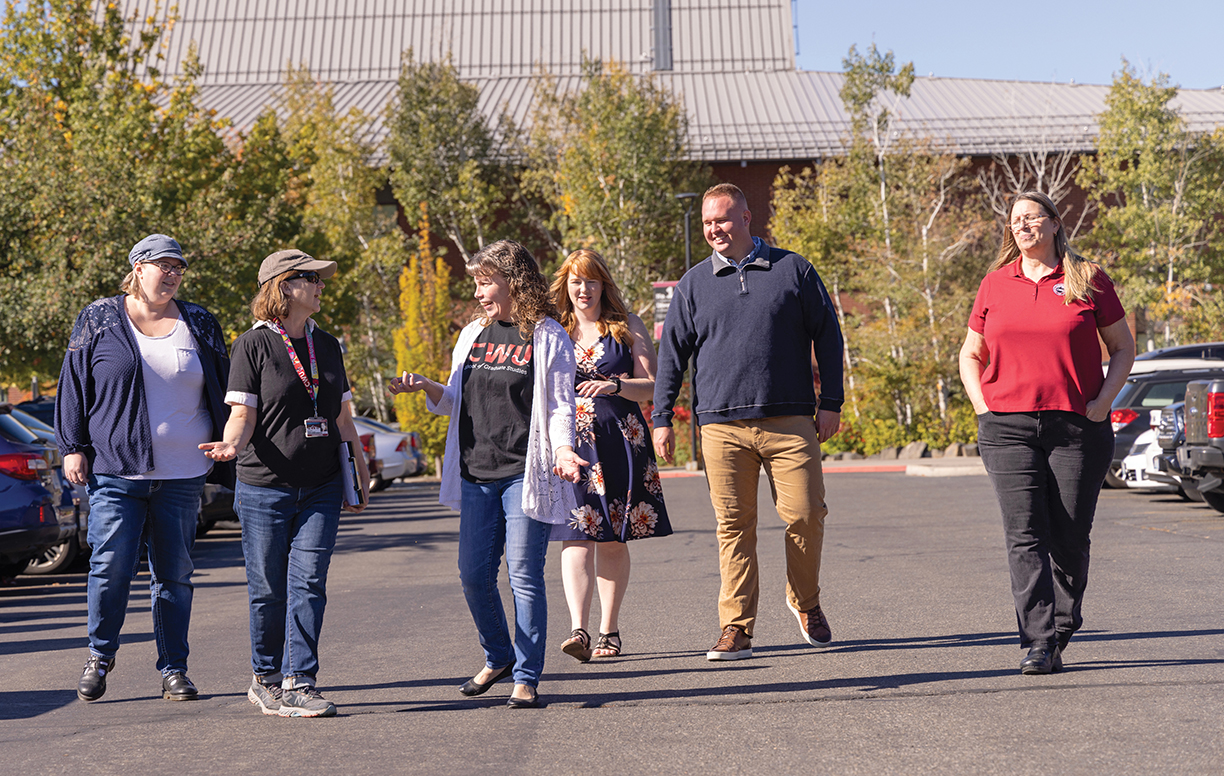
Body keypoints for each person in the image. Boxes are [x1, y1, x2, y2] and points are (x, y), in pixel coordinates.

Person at [652, 183, 844, 662]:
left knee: (805, 514)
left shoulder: (792, 269)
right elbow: (671, 355)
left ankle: (805, 601)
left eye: (721, 219)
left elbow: (829, 335)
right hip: (721, 425)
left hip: (791, 419)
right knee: (733, 527)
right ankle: (735, 626)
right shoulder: (693, 284)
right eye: (706, 223)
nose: (713, 229)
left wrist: (832, 401)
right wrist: (661, 417)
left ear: (745, 218)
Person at [389, 239, 585, 708]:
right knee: (473, 575)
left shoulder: (546, 335)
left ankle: (526, 673)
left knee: (523, 574)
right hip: (476, 473)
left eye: (484, 282)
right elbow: (456, 400)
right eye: (476, 283)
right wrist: (427, 385)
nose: (478, 292)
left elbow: (560, 405)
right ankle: (497, 655)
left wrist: (563, 451)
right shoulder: (472, 335)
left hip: (524, 473)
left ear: (512, 282)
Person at [959, 191, 1134, 675]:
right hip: (1006, 426)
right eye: (1015, 220)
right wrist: (982, 404)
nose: (1023, 226)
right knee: (1024, 535)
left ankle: (1062, 622)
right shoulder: (995, 284)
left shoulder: (1087, 278)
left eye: (1032, 217)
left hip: (1077, 426)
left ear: (1055, 223)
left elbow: (1122, 347)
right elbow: (970, 354)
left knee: (1071, 536)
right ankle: (1039, 641)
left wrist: (1102, 403)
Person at [57, 234, 232, 703]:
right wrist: (72, 446)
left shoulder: (198, 321)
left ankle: (174, 668)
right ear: (137, 268)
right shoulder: (99, 318)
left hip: (182, 472)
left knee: (174, 573)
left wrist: (233, 439)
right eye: (162, 265)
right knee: (110, 566)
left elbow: (226, 384)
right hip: (115, 470)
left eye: (179, 267)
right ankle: (99, 654)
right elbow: (73, 386)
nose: (172, 274)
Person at [200, 249, 369, 717]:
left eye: (319, 279)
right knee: (268, 587)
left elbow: (342, 417)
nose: (320, 285)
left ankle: (301, 681)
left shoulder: (329, 345)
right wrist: (230, 446)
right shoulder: (251, 346)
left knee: (309, 582)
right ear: (283, 286)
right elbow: (241, 415)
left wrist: (360, 469)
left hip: (322, 485)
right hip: (264, 486)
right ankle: (265, 677)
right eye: (310, 278)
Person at [548, 250, 672, 663]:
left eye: (592, 281)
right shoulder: (553, 330)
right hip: (572, 444)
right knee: (576, 534)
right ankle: (578, 629)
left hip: (621, 440)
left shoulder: (626, 326)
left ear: (604, 285)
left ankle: (609, 629)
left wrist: (615, 388)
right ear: (566, 286)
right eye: (576, 282)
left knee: (614, 538)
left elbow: (652, 385)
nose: (584, 290)